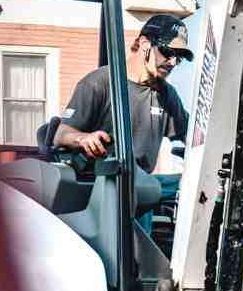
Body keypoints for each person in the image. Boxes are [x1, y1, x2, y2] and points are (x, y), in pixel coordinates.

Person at [53, 13, 192, 173]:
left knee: (181, 188)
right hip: (101, 182)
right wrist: (83, 138)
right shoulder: (99, 82)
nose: (173, 63)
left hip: (140, 185)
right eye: (168, 52)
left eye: (179, 58)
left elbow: (193, 137)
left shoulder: (166, 94)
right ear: (145, 44)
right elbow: (61, 134)